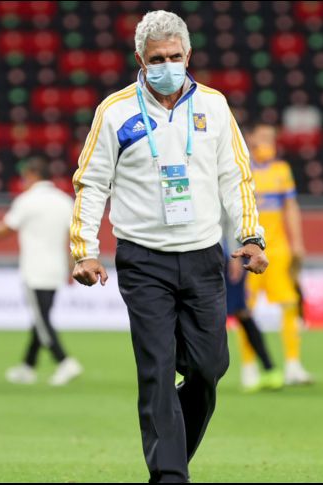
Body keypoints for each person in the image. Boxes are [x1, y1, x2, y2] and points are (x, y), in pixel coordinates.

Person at [70, 10, 268, 482]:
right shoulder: (114, 111)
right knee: (157, 369)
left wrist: (250, 236)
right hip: (143, 260)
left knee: (208, 368)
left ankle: (171, 446)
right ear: (140, 59)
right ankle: (169, 475)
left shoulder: (215, 107)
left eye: (175, 56)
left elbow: (235, 177)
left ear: (189, 55)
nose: (167, 65)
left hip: (203, 255)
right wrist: (85, 249)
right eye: (157, 58)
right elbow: (90, 184)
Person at [0, 158, 83, 386]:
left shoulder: (27, 201)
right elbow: (72, 237)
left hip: (34, 270)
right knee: (40, 318)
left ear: (32, 175)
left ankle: (64, 361)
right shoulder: (64, 201)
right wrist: (73, 265)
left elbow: (6, 229)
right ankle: (27, 366)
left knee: (42, 320)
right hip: (56, 269)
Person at [242, 123, 312, 386]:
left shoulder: (282, 170)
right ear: (250, 138)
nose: (267, 142)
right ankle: (249, 368)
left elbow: (291, 207)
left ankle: (293, 364)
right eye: (262, 137)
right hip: (248, 250)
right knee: (245, 310)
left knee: (289, 304)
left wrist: (298, 243)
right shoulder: (241, 168)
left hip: (278, 248)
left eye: (271, 138)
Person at [222, 211, 281, 393]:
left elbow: (229, 218)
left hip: (226, 255)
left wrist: (235, 256)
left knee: (228, 312)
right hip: (223, 253)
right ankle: (270, 369)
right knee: (241, 313)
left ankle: (270, 370)